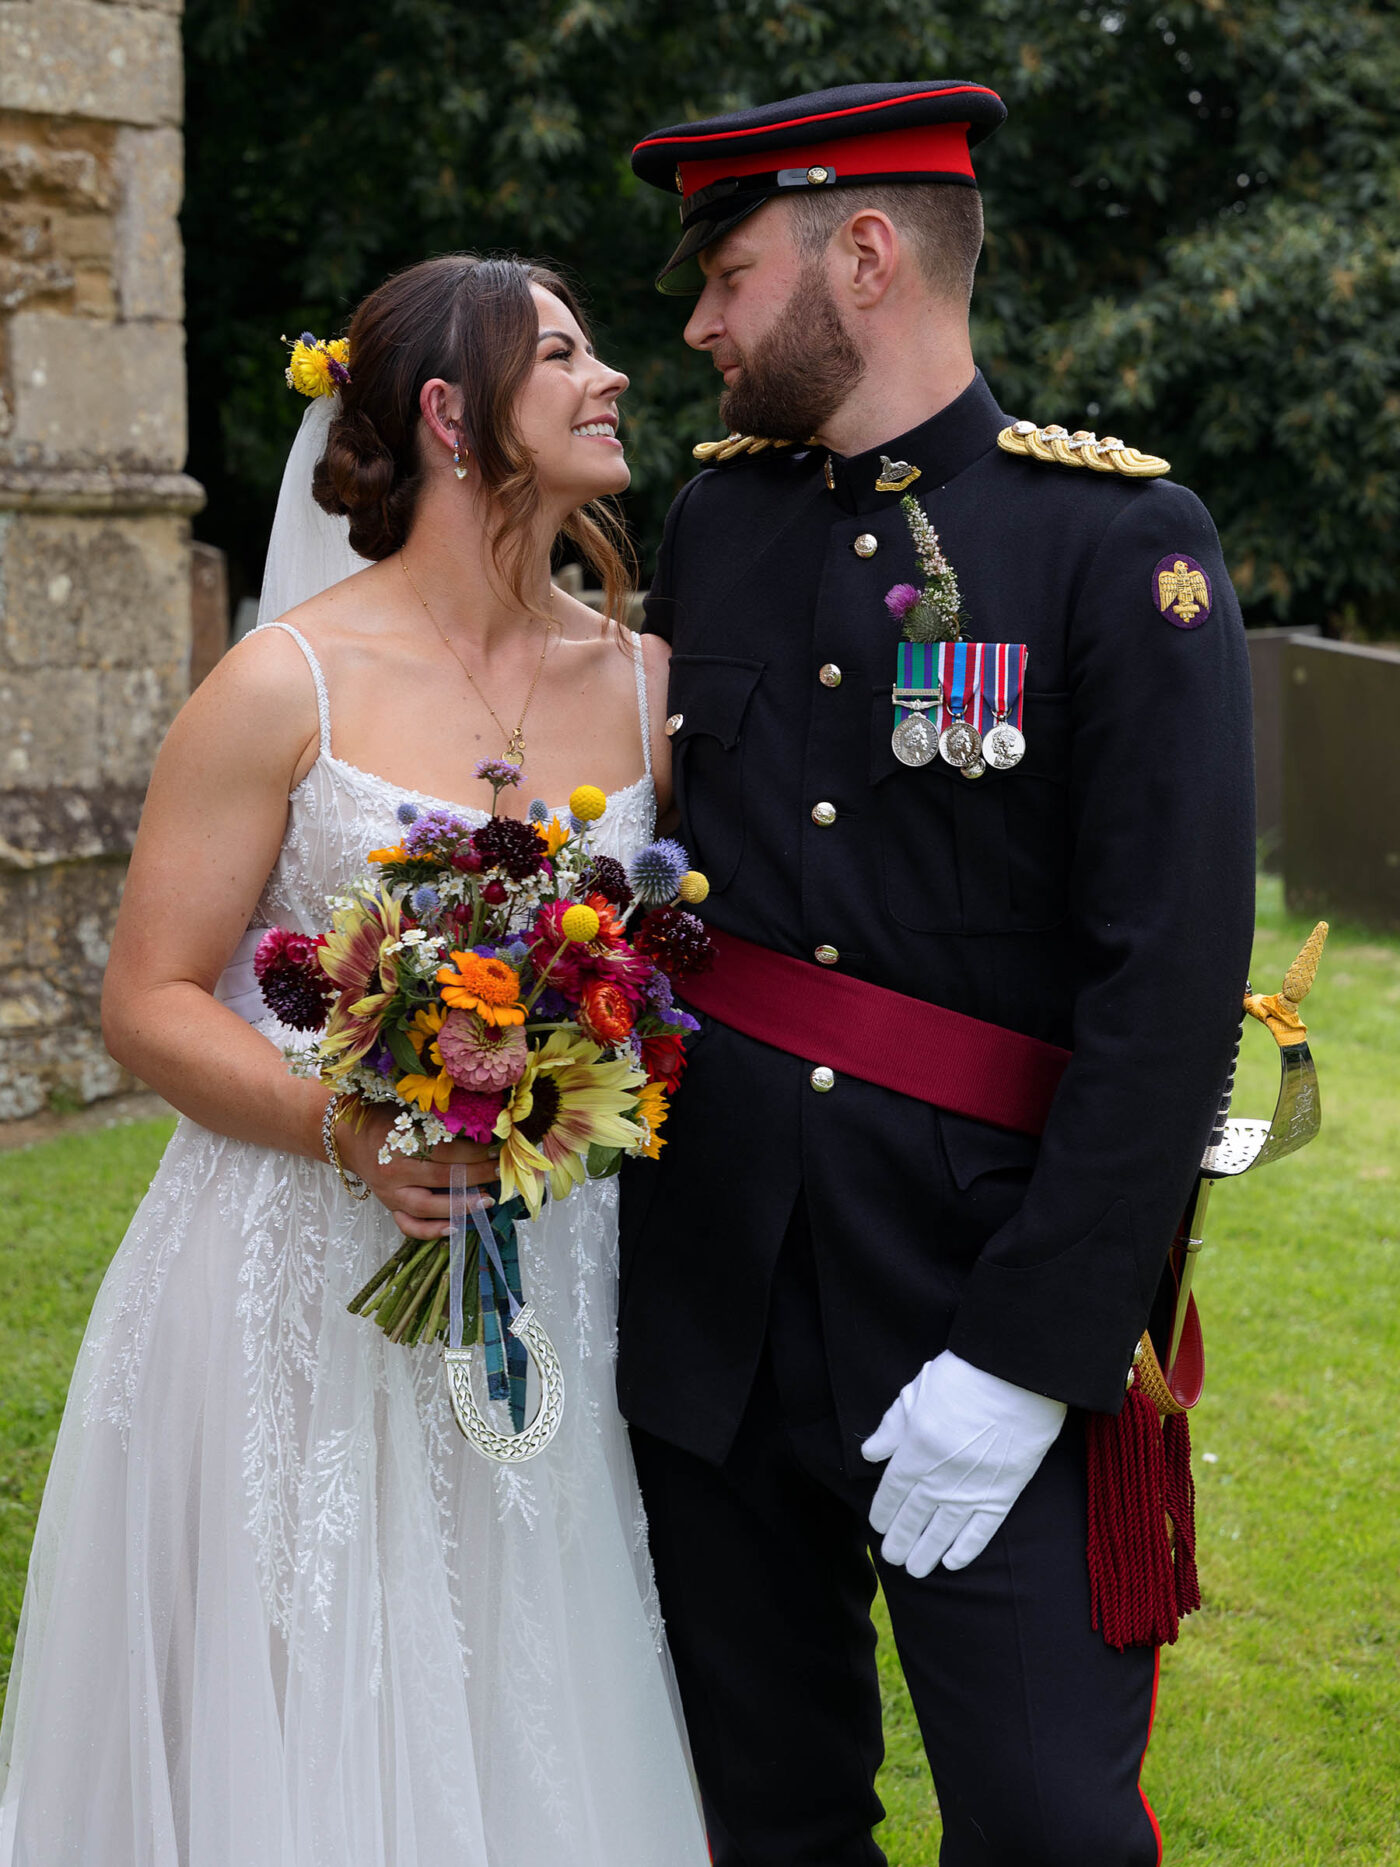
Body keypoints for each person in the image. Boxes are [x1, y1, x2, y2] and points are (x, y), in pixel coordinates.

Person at [0, 254, 708, 1867]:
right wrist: (351, 1127)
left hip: (555, 1267)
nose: (609, 378)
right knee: (313, 1699)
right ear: (453, 415)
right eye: (564, 354)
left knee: (527, 1660)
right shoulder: (282, 685)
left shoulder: (654, 689)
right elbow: (151, 998)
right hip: (301, 1279)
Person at [619, 81, 1255, 1866]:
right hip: (721, 1296)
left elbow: (1170, 994)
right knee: (764, 1811)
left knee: (1051, 1828)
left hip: (983, 1303)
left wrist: (1035, 1356)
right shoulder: (719, 524)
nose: (700, 322)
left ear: (868, 256)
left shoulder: (1115, 547)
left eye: (731, 273)